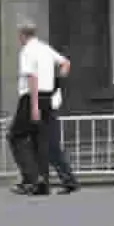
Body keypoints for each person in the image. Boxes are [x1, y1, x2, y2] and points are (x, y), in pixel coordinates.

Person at [7, 22, 66, 197]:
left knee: (15, 136)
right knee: (38, 140)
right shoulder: (46, 48)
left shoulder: (27, 51)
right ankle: (43, 184)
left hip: (31, 98)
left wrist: (34, 106)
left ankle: (31, 179)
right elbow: (65, 63)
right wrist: (57, 84)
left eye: (19, 36)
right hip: (47, 97)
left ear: (22, 35)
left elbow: (32, 77)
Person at [43, 57, 80, 195]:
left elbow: (66, 66)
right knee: (49, 151)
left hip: (48, 116)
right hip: (45, 115)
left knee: (53, 151)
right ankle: (68, 182)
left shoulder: (51, 82)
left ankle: (70, 182)